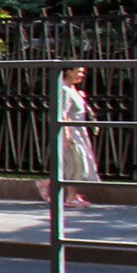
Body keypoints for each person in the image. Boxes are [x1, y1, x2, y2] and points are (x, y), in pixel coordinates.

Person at [38, 66, 98, 208]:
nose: (82, 75)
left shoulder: (72, 88)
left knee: (76, 163)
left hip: (79, 130)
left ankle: (49, 185)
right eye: (79, 71)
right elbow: (63, 112)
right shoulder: (64, 89)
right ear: (69, 72)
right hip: (72, 131)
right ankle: (71, 195)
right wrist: (66, 134)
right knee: (75, 163)